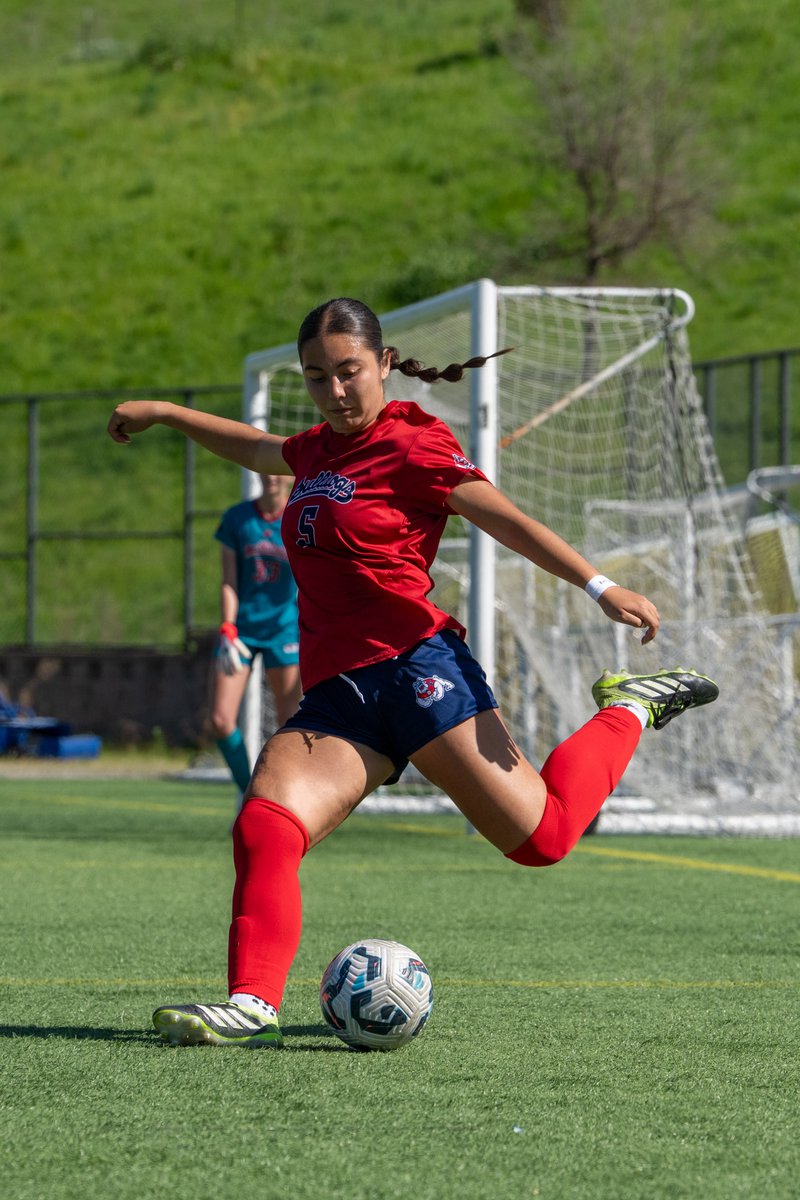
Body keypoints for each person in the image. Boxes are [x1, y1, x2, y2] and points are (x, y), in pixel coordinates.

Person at [107, 297, 719, 1048]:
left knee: (546, 838)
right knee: (266, 823)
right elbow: (258, 448)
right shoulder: (316, 451)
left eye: (348, 372)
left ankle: (627, 707)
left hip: (417, 672)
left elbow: (505, 517)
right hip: (341, 698)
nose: (335, 391)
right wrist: (167, 413)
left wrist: (600, 587)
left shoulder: (415, 446)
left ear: (385, 364)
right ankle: (251, 1002)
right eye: (317, 377)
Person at [210, 473, 301, 803]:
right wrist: (228, 626)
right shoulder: (238, 518)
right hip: (242, 631)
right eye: (267, 468)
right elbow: (229, 580)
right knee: (221, 720)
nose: (273, 476)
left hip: (285, 630)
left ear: (292, 476)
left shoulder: (300, 516)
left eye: (280, 469)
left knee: (289, 723)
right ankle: (251, 793)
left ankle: (285, 799)